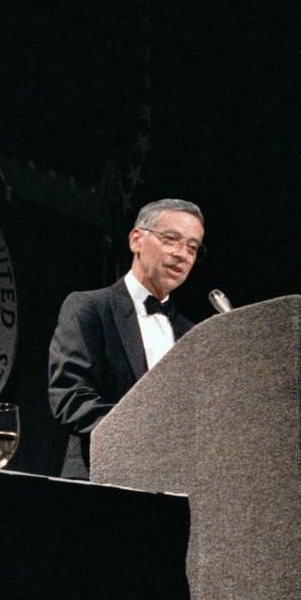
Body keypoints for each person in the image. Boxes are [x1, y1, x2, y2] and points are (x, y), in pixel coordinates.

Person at [47, 199, 205, 479]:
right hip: (101, 479)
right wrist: (151, 438)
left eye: (192, 248)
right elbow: (71, 397)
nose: (183, 255)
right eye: (172, 240)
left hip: (179, 488)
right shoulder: (89, 308)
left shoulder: (196, 335)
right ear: (136, 240)